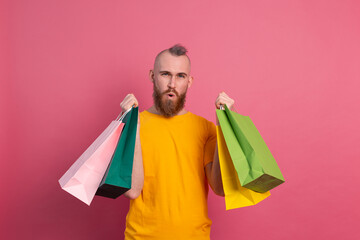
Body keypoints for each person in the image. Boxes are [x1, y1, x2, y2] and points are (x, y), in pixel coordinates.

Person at [120, 44, 235, 240]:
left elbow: (221, 189)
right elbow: (132, 191)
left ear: (189, 81)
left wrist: (227, 127)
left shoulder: (205, 129)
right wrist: (131, 127)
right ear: (152, 76)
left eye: (180, 76)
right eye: (165, 74)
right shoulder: (135, 123)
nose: (172, 83)